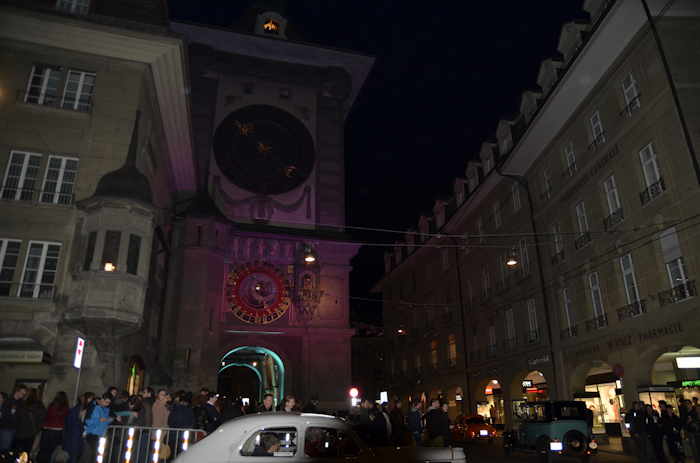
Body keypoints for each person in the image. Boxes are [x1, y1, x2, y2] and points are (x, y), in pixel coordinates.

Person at [36, 391, 69, 463]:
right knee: (52, 450)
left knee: (44, 449)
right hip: (57, 430)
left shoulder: (53, 405)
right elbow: (65, 418)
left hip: (48, 429)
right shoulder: (65, 407)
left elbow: (47, 416)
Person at [80, 393, 112, 463]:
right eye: (106, 402)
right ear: (102, 399)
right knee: (89, 456)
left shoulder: (105, 409)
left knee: (96, 456)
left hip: (100, 435)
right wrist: (99, 420)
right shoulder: (94, 407)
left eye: (109, 403)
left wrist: (108, 420)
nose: (107, 404)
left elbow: (104, 421)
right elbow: (88, 421)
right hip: (92, 434)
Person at [63, 392, 94, 463]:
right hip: (75, 436)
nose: (91, 401)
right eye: (90, 398)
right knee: (73, 456)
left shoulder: (80, 409)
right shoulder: (77, 410)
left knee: (76, 455)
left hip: (77, 436)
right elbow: (71, 424)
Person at [14, 388, 46, 454]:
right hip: (29, 433)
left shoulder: (23, 403)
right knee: (25, 453)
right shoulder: (39, 405)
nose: (25, 394)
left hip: (22, 432)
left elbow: (17, 416)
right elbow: (42, 419)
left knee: (17, 452)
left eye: (27, 393)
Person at [0, 384, 28, 451]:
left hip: (13, 429)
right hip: (6, 428)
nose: (22, 395)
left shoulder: (20, 402)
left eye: (24, 394)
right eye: (22, 393)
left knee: (7, 447)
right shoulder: (8, 400)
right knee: (4, 448)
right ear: (17, 391)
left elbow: (19, 415)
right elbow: (4, 415)